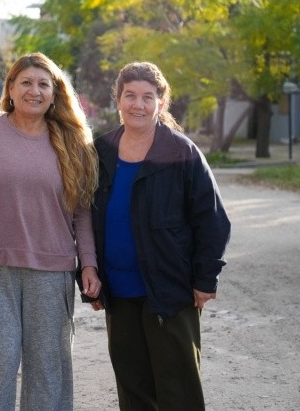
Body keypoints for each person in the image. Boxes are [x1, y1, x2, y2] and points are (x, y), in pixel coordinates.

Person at [0, 52, 101, 410]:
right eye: (26, 82)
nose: (35, 91)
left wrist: (88, 265)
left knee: (48, 369)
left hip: (53, 273)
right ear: (10, 88)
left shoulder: (72, 142)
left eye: (43, 84)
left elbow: (82, 213)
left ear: (54, 92)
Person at [87, 61, 231, 410]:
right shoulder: (100, 152)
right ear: (118, 101)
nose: (138, 104)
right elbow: (84, 218)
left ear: (161, 104)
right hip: (118, 294)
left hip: (170, 290)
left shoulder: (181, 152)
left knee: (177, 389)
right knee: (133, 389)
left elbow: (212, 220)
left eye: (148, 97)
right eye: (130, 95)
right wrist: (88, 272)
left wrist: (205, 278)